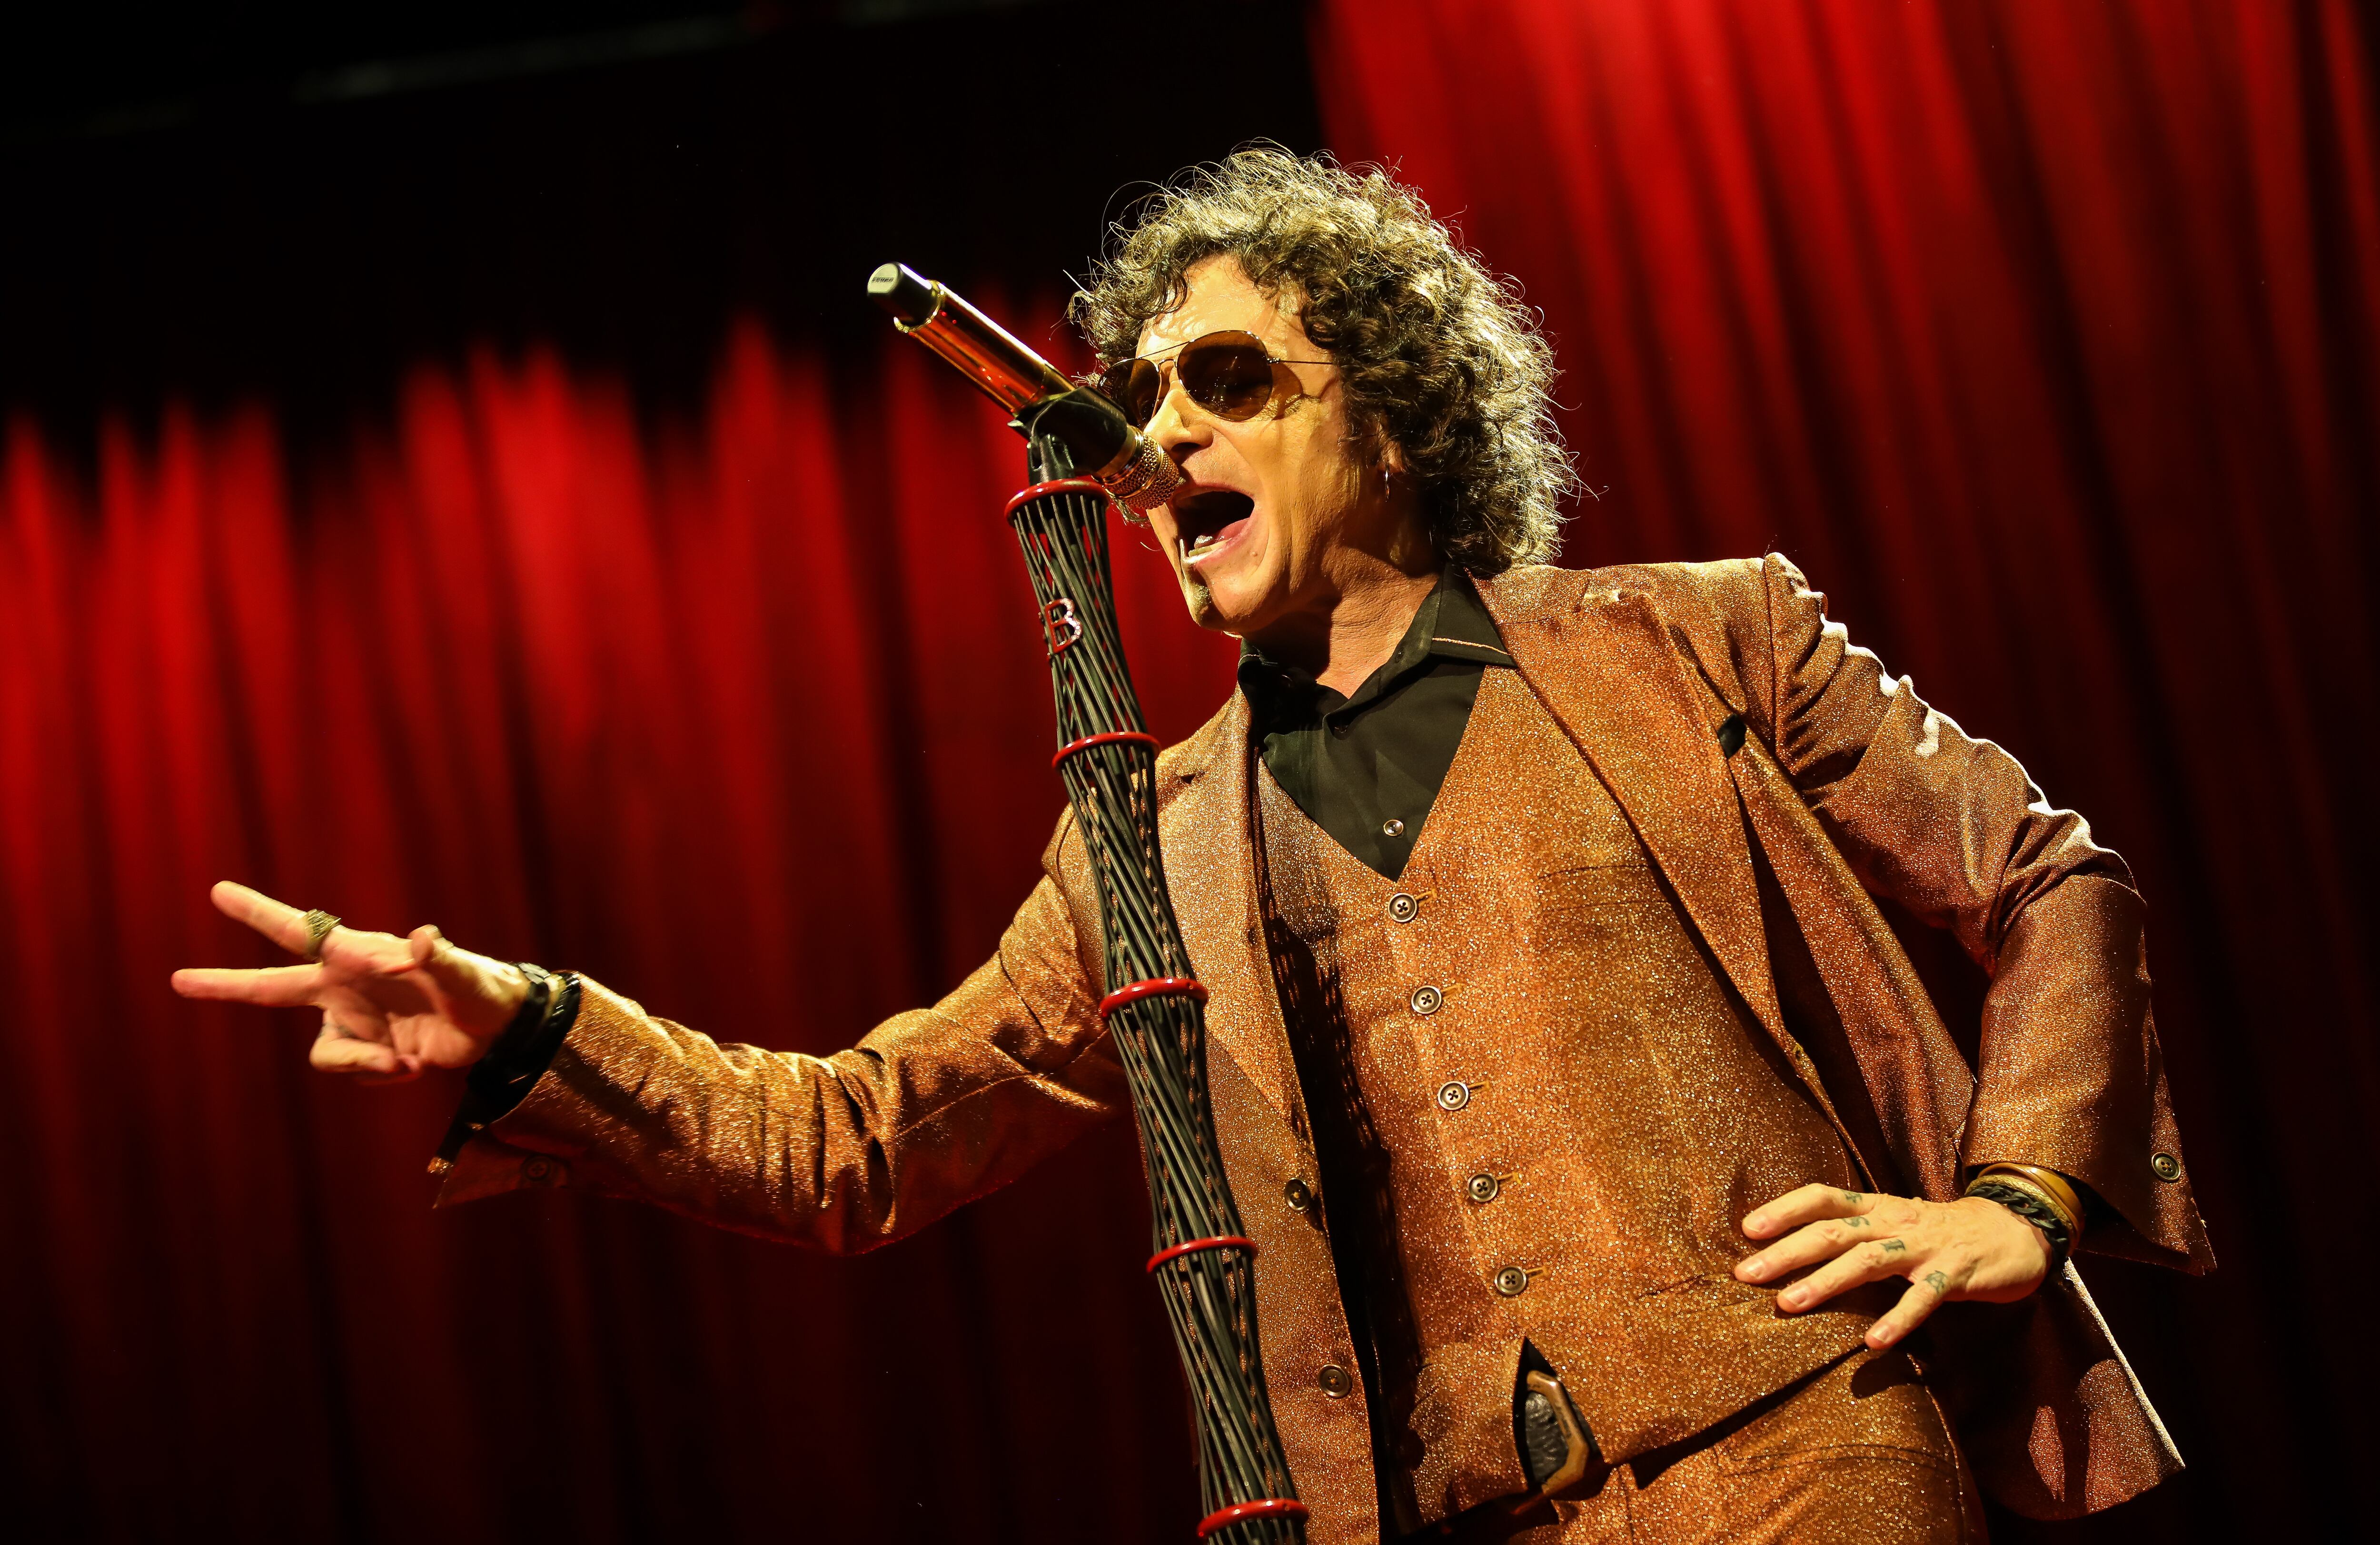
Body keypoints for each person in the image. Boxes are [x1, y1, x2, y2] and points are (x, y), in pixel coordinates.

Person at [175, 150, 2211, 1544]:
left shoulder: (1688, 639)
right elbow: (857, 1133)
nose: (1161, 441)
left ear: (1392, 415)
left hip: (1802, 1470)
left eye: (1224, 382)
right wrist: (523, 1021)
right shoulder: (1144, 843)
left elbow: (2047, 873)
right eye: (1140, 400)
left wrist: (2011, 1194)